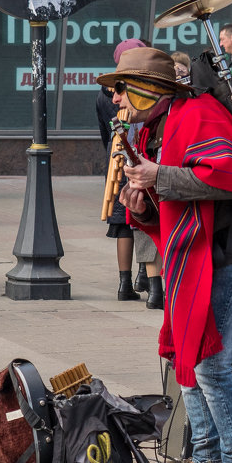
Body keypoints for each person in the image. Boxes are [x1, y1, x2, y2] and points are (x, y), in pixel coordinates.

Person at [100, 46, 232, 463]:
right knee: (186, 356)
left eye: (121, 90)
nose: (116, 100)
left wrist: (158, 175)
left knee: (211, 364)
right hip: (199, 255)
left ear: (147, 90)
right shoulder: (156, 129)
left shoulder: (198, 113)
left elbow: (230, 180)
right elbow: (175, 209)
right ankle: (205, 462)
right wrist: (142, 204)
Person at [97, 38, 163, 307]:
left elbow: (106, 134)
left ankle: (129, 282)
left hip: (125, 159)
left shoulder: (103, 96)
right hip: (136, 159)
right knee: (140, 219)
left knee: (125, 224)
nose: (116, 98)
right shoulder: (122, 95)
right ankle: (149, 283)